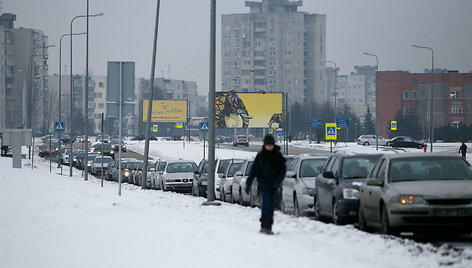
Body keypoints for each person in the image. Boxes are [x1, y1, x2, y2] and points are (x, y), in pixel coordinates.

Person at [245, 134, 286, 235]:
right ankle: (264, 224)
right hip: (264, 184)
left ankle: (269, 226)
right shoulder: (261, 156)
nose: (269, 147)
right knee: (266, 204)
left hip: (274, 185)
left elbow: (282, 170)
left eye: (271, 145)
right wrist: (248, 184)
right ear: (264, 145)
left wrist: (278, 182)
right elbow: (253, 170)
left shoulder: (277, 156)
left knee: (271, 206)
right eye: (268, 145)